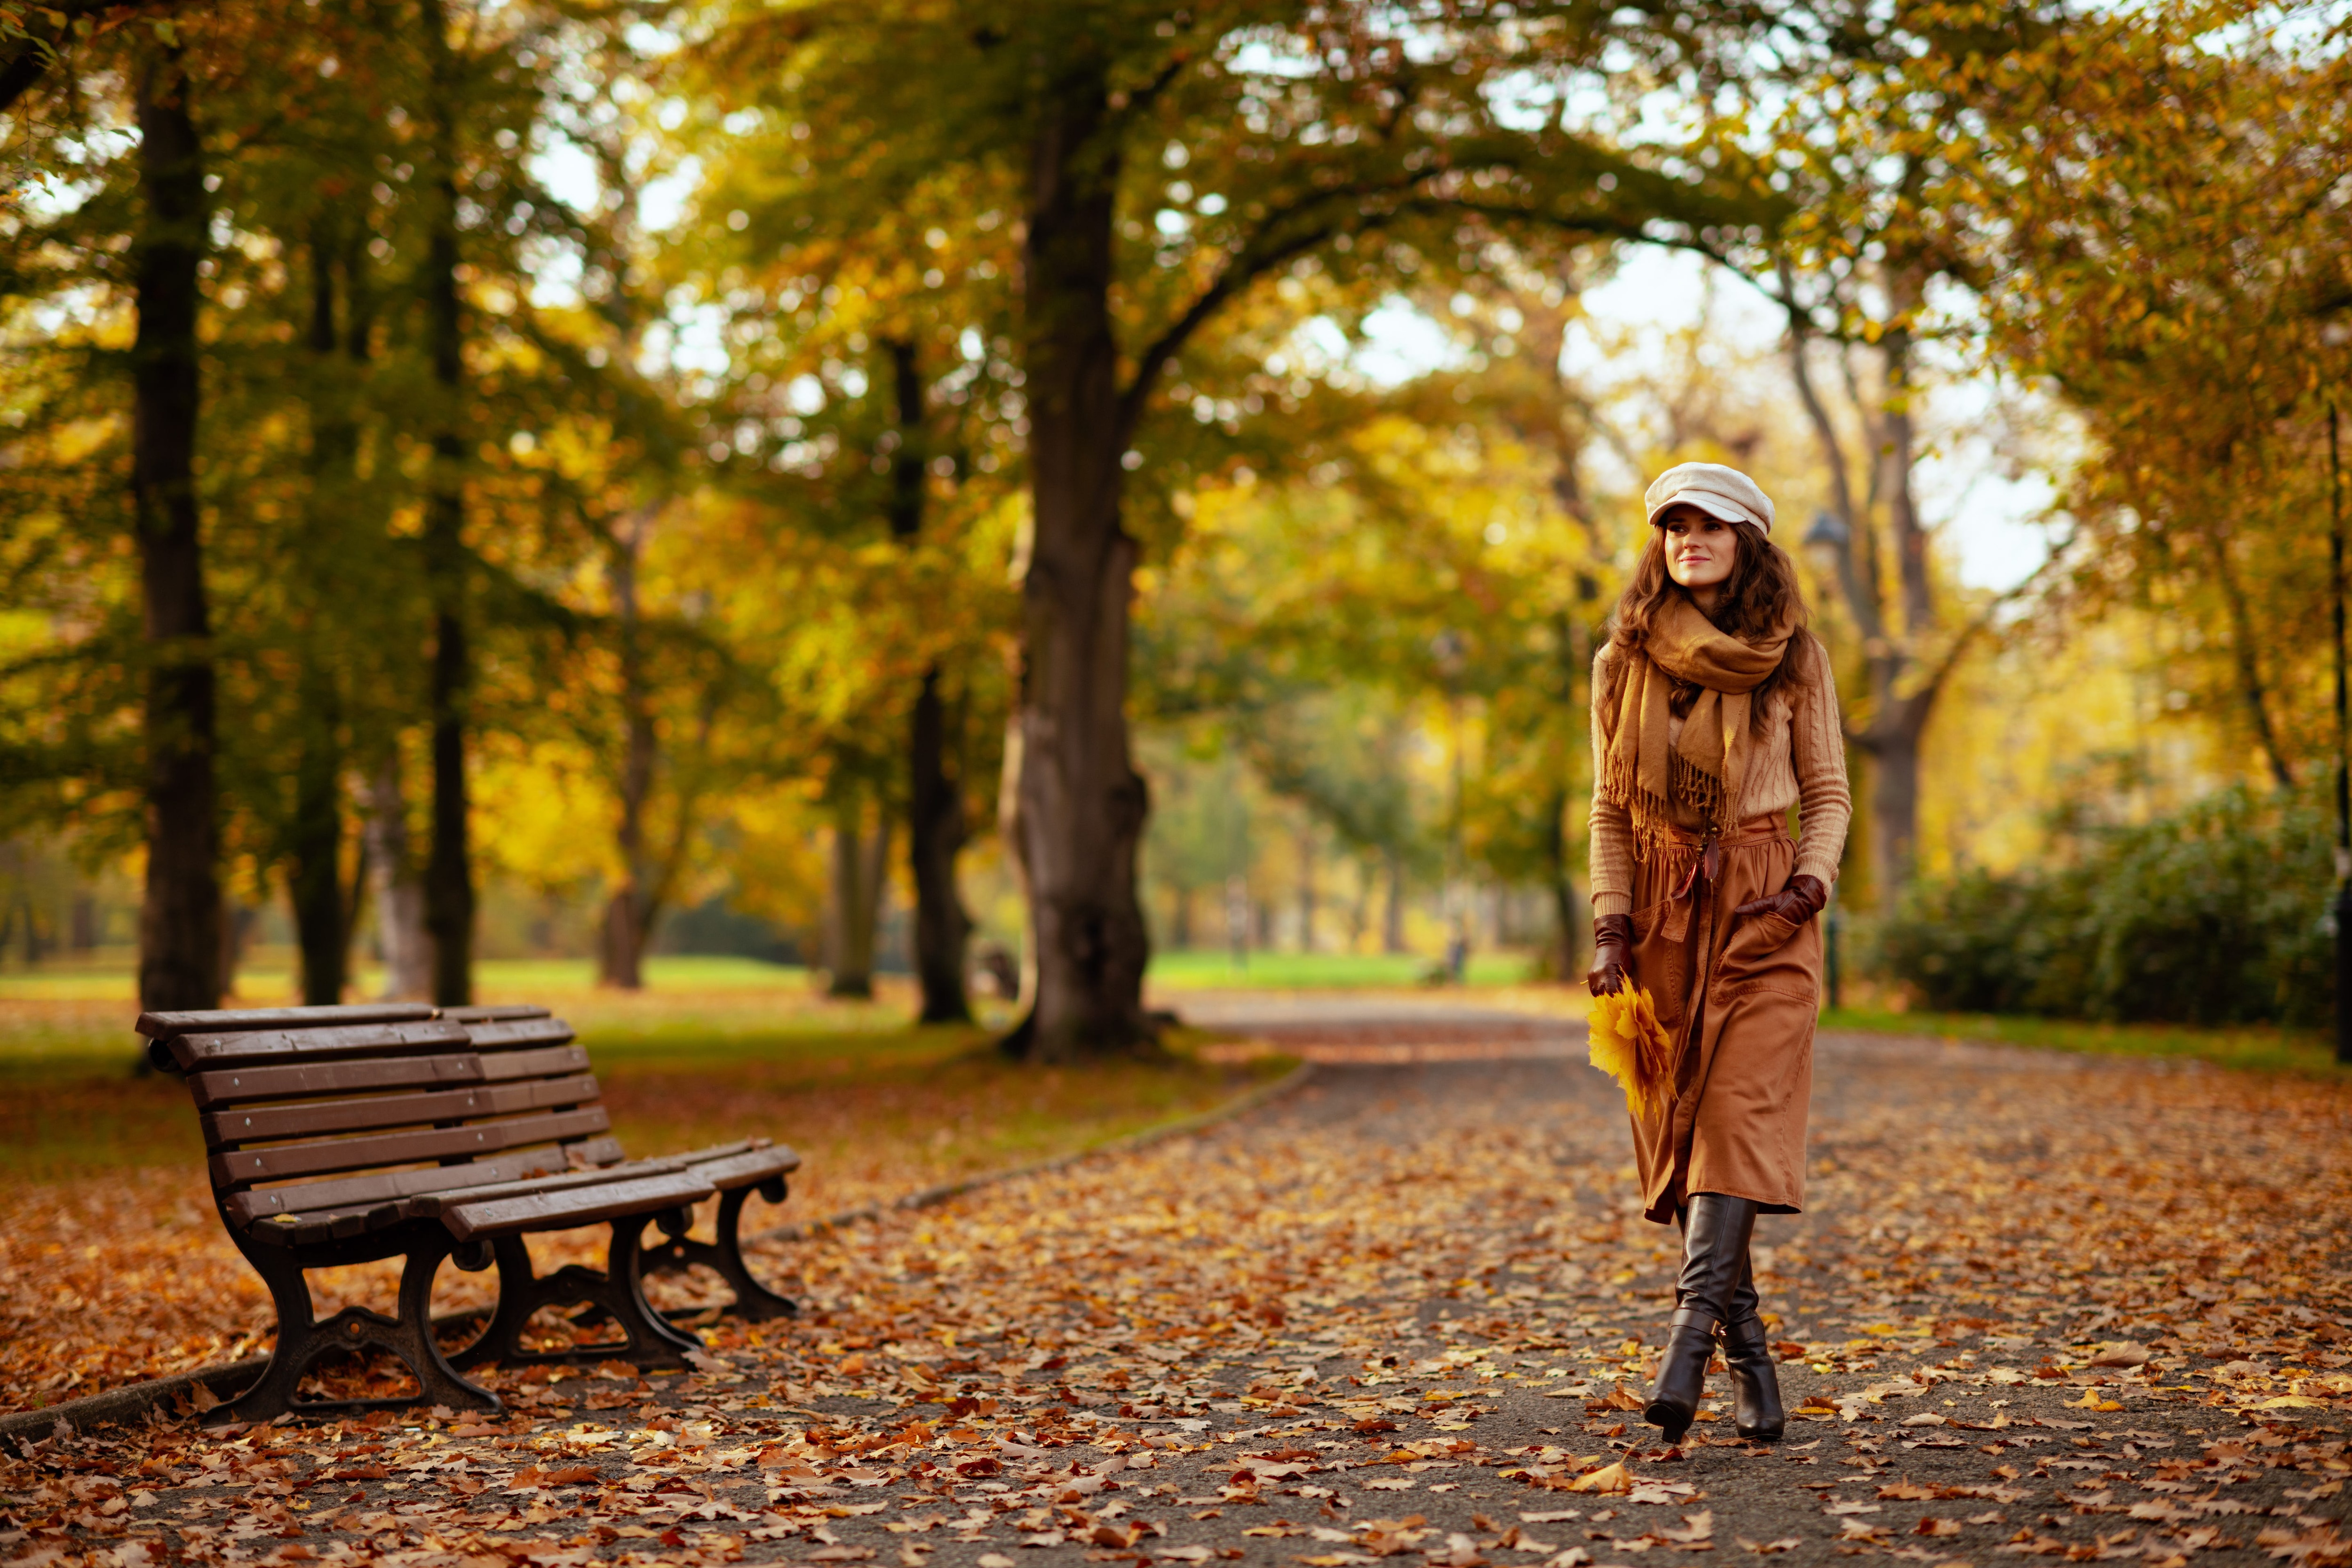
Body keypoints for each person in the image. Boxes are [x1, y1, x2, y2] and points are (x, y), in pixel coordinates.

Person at [1585, 461, 1851, 1446]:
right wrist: (1612, 922)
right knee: (1682, 1137)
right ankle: (1751, 1354)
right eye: (1673, 524)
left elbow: (1827, 790)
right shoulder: (1620, 660)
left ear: (1749, 540)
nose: (1688, 537)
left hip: (1763, 907)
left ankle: (1687, 1344)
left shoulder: (1794, 655)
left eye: (1710, 524)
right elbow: (1609, 808)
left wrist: (1805, 888)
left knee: (1735, 1118)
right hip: (1658, 915)